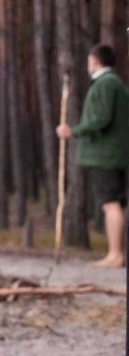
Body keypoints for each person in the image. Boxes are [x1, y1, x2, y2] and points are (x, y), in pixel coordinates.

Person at [57, 44, 129, 268]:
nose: (88, 63)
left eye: (90, 59)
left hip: (106, 155)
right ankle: (115, 253)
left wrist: (74, 131)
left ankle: (115, 254)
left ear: (95, 60)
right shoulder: (111, 84)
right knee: (113, 203)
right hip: (112, 153)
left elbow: (102, 118)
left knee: (111, 203)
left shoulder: (107, 84)